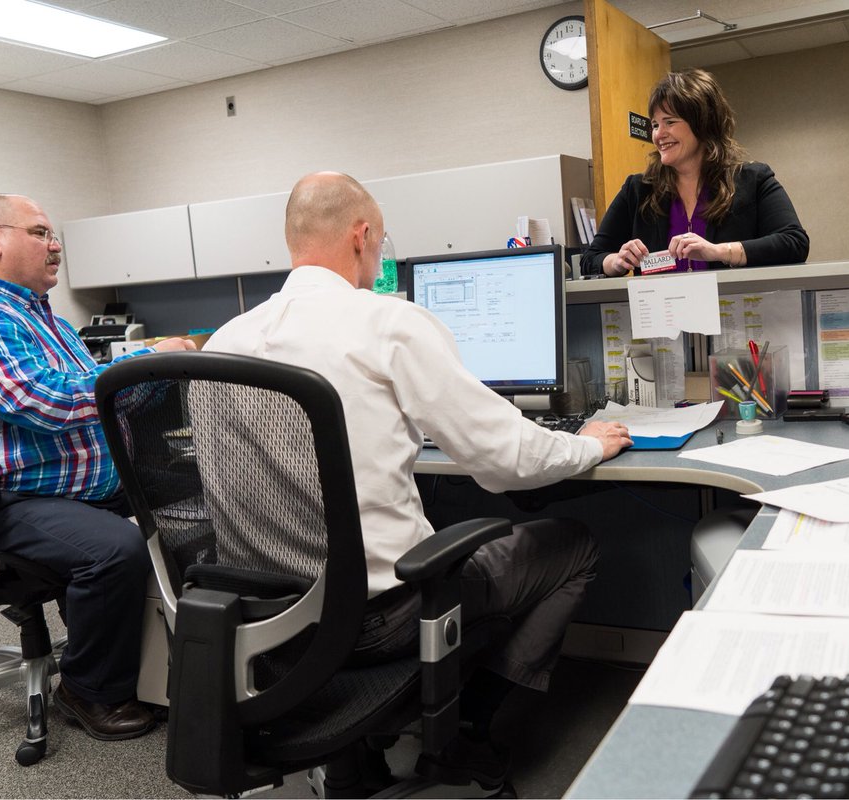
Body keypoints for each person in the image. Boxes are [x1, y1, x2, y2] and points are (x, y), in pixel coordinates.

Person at [204, 171, 633, 789]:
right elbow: (508, 461)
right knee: (571, 544)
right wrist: (584, 445)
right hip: (379, 619)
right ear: (362, 236)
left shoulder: (225, 340)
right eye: (379, 242)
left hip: (269, 627)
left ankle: (375, 740)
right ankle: (465, 732)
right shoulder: (387, 323)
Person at [0, 194, 196, 741]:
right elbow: (43, 403)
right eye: (41, 233)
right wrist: (139, 364)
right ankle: (88, 689)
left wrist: (154, 379)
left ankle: (182, 664)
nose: (56, 246)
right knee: (112, 551)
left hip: (74, 490)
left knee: (210, 494)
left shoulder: (38, 315)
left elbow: (98, 401)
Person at [582, 68, 809, 277]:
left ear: (703, 123)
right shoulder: (638, 190)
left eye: (669, 122)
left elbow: (795, 243)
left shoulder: (753, 180)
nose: (659, 135)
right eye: (654, 125)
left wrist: (718, 252)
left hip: (732, 316)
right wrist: (616, 261)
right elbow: (591, 259)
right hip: (662, 318)